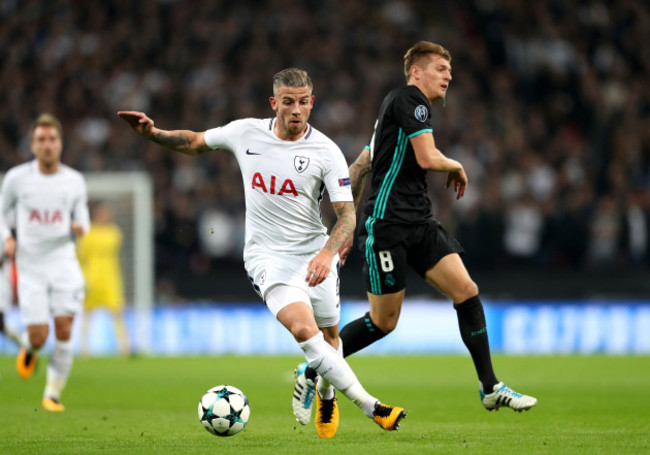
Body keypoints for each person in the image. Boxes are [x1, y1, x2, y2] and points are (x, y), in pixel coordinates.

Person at [117, 67, 406, 439]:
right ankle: (373, 406)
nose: (296, 110)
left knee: (331, 341)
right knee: (305, 330)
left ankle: (325, 393)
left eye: (303, 102)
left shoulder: (326, 151)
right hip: (267, 258)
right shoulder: (245, 132)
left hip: (315, 254)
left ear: (312, 103)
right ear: (274, 103)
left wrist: (326, 253)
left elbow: (347, 215)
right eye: (288, 102)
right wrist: (153, 133)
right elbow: (192, 141)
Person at [294, 41, 537, 417]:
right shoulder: (410, 98)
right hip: (389, 226)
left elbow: (359, 167)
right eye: (440, 68)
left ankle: (490, 386)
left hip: (419, 222)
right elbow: (427, 157)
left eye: (450, 70)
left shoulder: (395, 112)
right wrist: (455, 164)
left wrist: (343, 226)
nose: (448, 75)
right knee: (383, 322)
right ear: (416, 72)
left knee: (467, 291)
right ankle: (314, 366)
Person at [1, 113, 89, 411]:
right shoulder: (16, 178)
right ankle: (29, 346)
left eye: (52, 139)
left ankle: (52, 395)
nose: (47, 145)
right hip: (31, 268)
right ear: (32, 144)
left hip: (64, 262)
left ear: (60, 143)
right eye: (41, 139)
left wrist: (80, 227)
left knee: (64, 328)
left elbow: (84, 219)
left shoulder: (74, 181)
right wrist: (6, 238)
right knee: (40, 336)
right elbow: (1, 213)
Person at [77, 202, 131, 357]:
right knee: (87, 313)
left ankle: (124, 347)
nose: (105, 216)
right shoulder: (87, 233)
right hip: (92, 279)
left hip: (111, 278)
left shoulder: (114, 232)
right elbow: (81, 257)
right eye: (102, 213)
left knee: (118, 312)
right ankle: (84, 348)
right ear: (95, 214)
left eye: (106, 213)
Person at [0, 210, 22, 347]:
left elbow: (15, 234)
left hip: (1, 274)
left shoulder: (5, 201)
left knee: (0, 323)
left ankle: (25, 343)